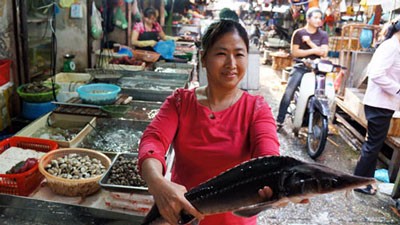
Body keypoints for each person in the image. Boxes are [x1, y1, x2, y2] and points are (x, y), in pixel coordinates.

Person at [138, 20, 280, 225]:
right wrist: (156, 182)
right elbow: (153, 140)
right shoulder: (180, 102)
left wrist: (277, 181)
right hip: (182, 218)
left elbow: (268, 155)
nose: (231, 63)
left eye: (239, 54)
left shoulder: (256, 108)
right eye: (221, 53)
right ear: (203, 58)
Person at [353, 18, 400, 195]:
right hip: (379, 104)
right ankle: (358, 182)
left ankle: (366, 181)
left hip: (382, 104)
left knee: (374, 144)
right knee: (372, 145)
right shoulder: (391, 47)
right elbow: (377, 74)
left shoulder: (394, 46)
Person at [276, 7, 329, 130]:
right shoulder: (299, 33)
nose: (318, 20)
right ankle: (280, 120)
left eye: (320, 18)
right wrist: (315, 50)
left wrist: (310, 43)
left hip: (317, 69)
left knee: (324, 94)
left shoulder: (323, 35)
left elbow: (324, 53)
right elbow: (295, 52)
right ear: (308, 18)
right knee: (289, 92)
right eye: (315, 17)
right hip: (301, 67)